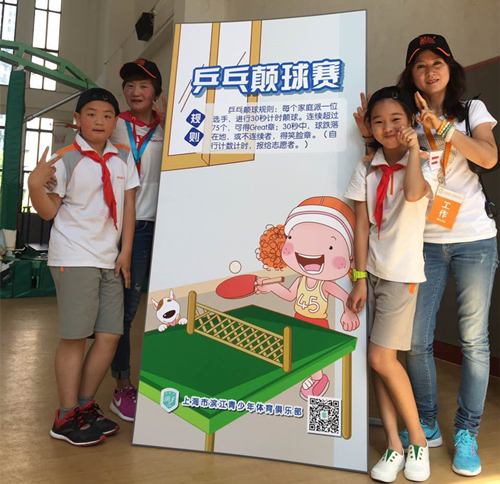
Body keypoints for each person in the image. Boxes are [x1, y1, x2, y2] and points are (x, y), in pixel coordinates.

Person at [395, 34, 498, 477]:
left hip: (475, 238)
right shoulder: (406, 119)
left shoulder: (472, 110)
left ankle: (467, 432)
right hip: (423, 240)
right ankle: (427, 422)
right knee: (417, 340)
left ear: (450, 68)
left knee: (474, 341)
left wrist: (445, 130)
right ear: (411, 75)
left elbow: (489, 158)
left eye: (437, 63)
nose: (430, 71)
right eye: (420, 65)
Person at [28, 88, 139, 446]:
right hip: (75, 258)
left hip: (109, 258)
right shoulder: (64, 160)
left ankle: (85, 406)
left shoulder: (123, 158)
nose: (99, 121)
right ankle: (65, 416)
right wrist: (34, 185)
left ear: (115, 121)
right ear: (77, 119)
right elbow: (49, 211)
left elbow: (129, 206)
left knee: (110, 336)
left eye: (107, 115)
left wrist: (125, 251)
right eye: (91, 114)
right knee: (75, 336)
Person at [345, 86, 439, 482]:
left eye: (395, 119)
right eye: (378, 121)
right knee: (381, 363)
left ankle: (417, 439)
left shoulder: (426, 163)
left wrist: (414, 148)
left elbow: (415, 194)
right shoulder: (366, 168)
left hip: (402, 276)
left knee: (381, 359)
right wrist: (359, 277)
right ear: (370, 126)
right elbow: (361, 226)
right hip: (373, 273)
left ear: (411, 122)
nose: (387, 127)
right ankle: (393, 446)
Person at [255, 196, 359, 399]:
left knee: (313, 356)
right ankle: (314, 377)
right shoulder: (301, 280)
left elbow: (344, 296)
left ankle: (319, 379)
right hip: (299, 320)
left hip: (317, 324)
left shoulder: (325, 284)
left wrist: (348, 313)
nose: (309, 252)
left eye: (330, 247)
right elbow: (289, 295)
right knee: (301, 352)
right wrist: (273, 287)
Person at [108, 59, 166, 422]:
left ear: (156, 91)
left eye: (143, 85)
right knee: (126, 311)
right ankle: (122, 386)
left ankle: (166, 380)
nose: (135, 91)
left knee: (169, 306)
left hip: (167, 226)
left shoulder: (169, 128)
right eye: (129, 85)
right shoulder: (113, 124)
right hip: (129, 228)